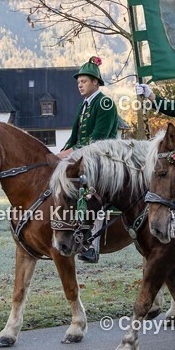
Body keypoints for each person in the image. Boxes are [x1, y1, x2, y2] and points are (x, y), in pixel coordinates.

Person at [60, 56, 119, 263]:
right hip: (83, 159)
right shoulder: (83, 105)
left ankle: (92, 246)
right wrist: (61, 153)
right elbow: (74, 136)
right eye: (78, 82)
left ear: (96, 82)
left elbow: (98, 140)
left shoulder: (104, 103)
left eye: (84, 81)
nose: (80, 84)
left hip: (102, 159)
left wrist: (70, 153)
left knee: (94, 196)